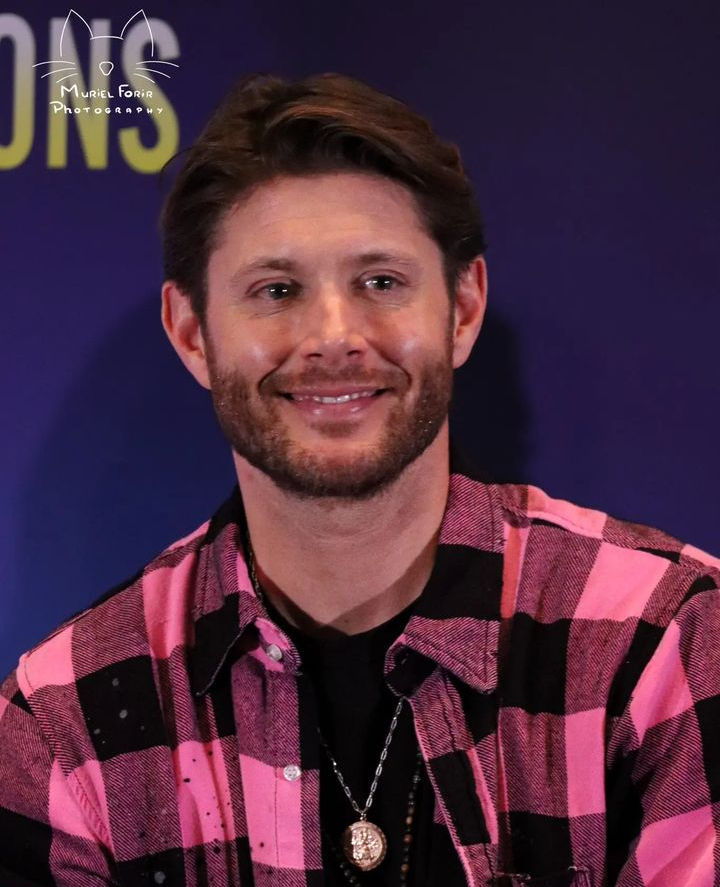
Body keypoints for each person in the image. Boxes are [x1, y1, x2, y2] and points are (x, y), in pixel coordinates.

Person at [0, 72, 718, 887]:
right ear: (193, 333)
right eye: (277, 290)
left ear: (463, 308)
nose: (334, 336)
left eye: (380, 282)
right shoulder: (64, 724)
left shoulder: (664, 646)